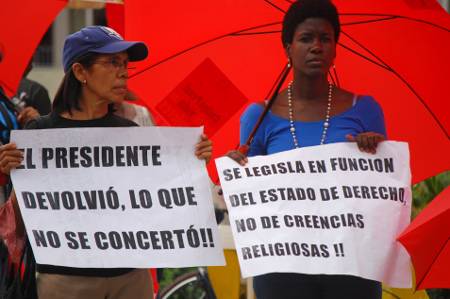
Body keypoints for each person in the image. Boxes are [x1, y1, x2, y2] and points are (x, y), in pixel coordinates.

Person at [0, 26, 213, 299]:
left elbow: (158, 206)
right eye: (113, 62)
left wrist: (191, 165)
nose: (123, 72)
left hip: (131, 280)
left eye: (125, 64)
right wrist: (13, 173)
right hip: (64, 281)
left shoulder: (131, 133)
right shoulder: (41, 134)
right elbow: (17, 226)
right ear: (80, 72)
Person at [226, 1, 387, 298]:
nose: (316, 46)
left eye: (325, 38)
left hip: (352, 264)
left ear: (335, 47)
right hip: (282, 265)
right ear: (288, 48)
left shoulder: (365, 110)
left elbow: (380, 195)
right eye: (305, 39)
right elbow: (253, 196)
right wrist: (236, 174)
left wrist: (374, 153)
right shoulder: (258, 115)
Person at [11, 56, 52, 127]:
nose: (31, 67)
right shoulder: (35, 89)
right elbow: (48, 131)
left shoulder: (35, 89)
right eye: (29, 63)